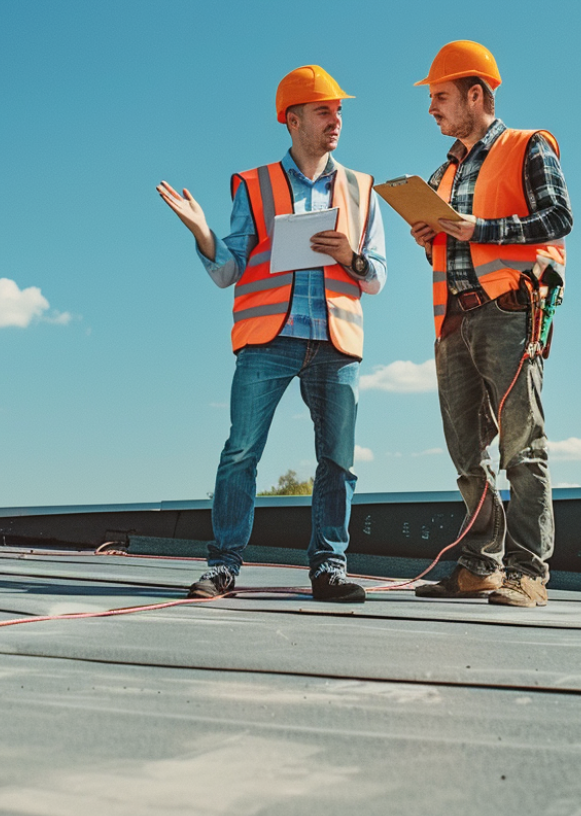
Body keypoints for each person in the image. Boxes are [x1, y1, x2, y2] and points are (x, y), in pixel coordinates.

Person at [156, 65, 386, 603]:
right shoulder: (254, 185)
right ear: (293, 119)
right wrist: (202, 231)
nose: (336, 120)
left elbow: (376, 276)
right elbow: (227, 270)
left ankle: (329, 568)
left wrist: (348, 257)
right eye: (324, 110)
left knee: (338, 460)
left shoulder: (361, 189)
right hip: (269, 339)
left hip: (335, 344)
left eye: (339, 110)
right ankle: (224, 568)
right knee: (241, 453)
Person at [407, 41, 572, 607]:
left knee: (522, 449)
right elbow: (452, 245)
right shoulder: (442, 170)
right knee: (467, 454)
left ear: (475, 94)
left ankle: (528, 572)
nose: (432, 108)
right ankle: (481, 566)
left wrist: (478, 228)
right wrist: (427, 234)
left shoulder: (529, 147)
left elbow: (557, 217)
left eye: (441, 97)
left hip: (508, 312)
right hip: (453, 321)